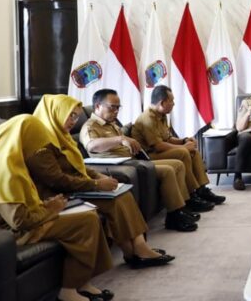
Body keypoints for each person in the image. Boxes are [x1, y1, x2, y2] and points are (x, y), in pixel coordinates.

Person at [29, 94, 174, 269]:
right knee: (114, 200)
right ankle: (136, 252)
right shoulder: (41, 143)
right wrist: (96, 185)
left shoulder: (62, 136)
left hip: (75, 186)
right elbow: (56, 180)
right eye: (70, 115)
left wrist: (98, 176)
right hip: (58, 196)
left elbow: (79, 166)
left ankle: (137, 249)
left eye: (76, 116)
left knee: (122, 194)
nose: (74, 121)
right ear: (55, 113)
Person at [0, 115, 114, 301]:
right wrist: (51, 209)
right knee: (86, 221)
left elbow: (25, 204)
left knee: (89, 215)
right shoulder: (2, 170)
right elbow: (19, 221)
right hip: (11, 233)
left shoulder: (12, 160)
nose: (39, 153)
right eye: (38, 147)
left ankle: (82, 282)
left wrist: (47, 205)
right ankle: (68, 291)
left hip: (25, 222)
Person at [79, 89, 199, 232]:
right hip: (121, 165)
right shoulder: (90, 126)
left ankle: (181, 208)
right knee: (168, 170)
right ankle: (174, 217)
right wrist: (120, 139)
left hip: (133, 160)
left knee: (177, 164)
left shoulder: (111, 123)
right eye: (112, 107)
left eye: (118, 107)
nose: (116, 111)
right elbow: (92, 145)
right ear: (98, 106)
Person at [132, 85, 225, 207]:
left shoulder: (161, 115)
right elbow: (158, 146)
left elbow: (168, 138)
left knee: (193, 151)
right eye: (171, 101)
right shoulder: (147, 119)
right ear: (162, 102)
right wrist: (184, 147)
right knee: (183, 152)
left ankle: (202, 190)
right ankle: (191, 195)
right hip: (148, 156)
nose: (174, 104)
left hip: (158, 151)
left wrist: (184, 141)